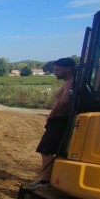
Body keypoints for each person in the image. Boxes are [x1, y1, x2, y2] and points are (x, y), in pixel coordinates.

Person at [34, 57, 76, 186]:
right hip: (61, 120)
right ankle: (50, 179)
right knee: (53, 151)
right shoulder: (70, 81)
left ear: (68, 68)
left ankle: (44, 181)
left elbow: (65, 100)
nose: (55, 72)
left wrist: (51, 115)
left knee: (46, 149)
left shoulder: (71, 82)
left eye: (57, 70)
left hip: (60, 121)